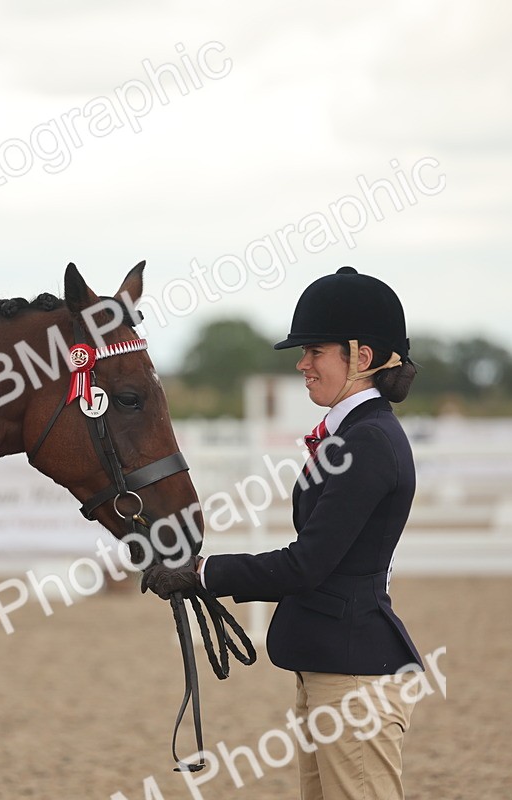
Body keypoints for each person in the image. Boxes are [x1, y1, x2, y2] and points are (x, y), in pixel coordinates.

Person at [142, 266, 423, 800]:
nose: (303, 364)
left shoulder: (368, 442)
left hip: (353, 679)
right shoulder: (355, 436)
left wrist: (202, 572)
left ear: (361, 358)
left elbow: (307, 564)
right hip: (329, 668)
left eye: (315, 351)